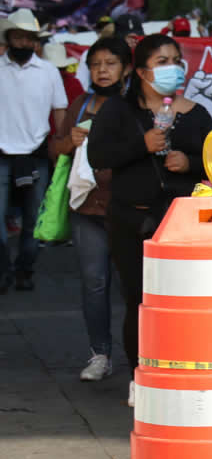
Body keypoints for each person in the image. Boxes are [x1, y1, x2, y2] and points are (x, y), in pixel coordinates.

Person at [87, 34, 212, 406]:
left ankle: (180, 371)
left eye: (176, 60)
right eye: (161, 62)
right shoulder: (118, 111)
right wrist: (140, 146)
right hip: (132, 221)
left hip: (183, 226)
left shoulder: (196, 113)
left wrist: (189, 163)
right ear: (141, 71)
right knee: (139, 301)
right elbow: (98, 155)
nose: (172, 68)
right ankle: (139, 374)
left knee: (184, 303)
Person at [49, 37, 132, 381]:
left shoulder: (136, 105)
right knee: (94, 284)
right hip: (86, 209)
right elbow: (55, 150)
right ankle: (100, 354)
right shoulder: (80, 104)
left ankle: (142, 360)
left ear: (127, 69)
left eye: (110, 63)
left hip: (128, 209)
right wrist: (69, 142)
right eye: (96, 64)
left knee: (134, 288)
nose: (102, 70)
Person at [0, 8, 67, 293]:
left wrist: (62, 146)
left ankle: (24, 269)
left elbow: (60, 111)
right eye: (19, 36)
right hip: (1, 154)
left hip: (37, 154)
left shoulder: (49, 72)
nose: (24, 42)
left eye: (29, 38)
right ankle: (4, 271)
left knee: (33, 221)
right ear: (9, 37)